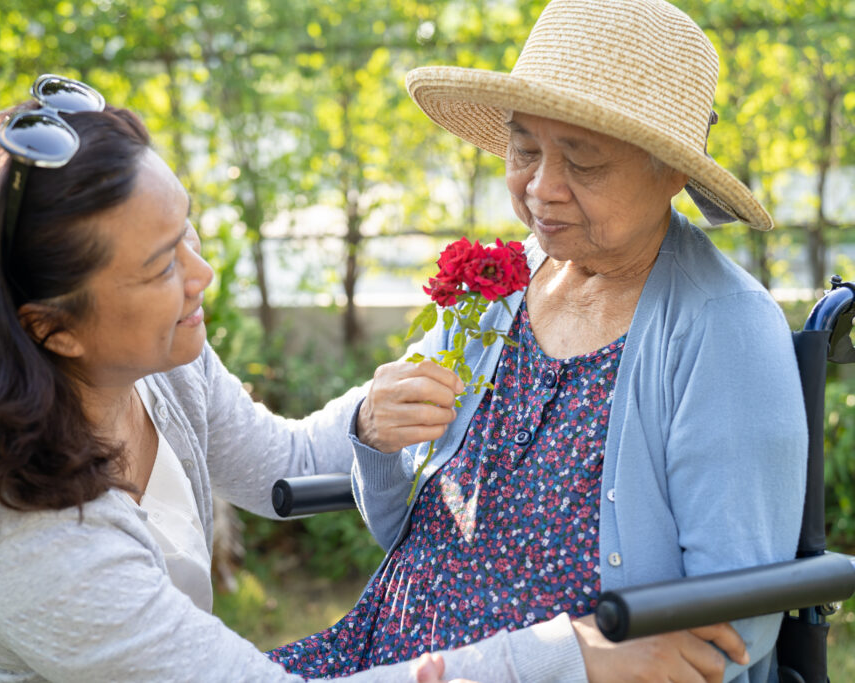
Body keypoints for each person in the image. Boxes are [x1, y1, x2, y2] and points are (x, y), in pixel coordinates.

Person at [0, 74, 749, 683]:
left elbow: (274, 465)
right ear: (52, 329)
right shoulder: (27, 540)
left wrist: (371, 413)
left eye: (187, 231)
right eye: (161, 266)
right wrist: (574, 656)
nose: (203, 276)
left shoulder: (160, 364)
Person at [268, 1, 806, 682]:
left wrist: (544, 661)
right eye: (525, 150)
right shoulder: (502, 285)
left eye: (582, 161)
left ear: (671, 171)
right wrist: (376, 441)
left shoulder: (726, 330)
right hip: (390, 649)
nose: (541, 188)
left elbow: (732, 628)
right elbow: (405, 531)